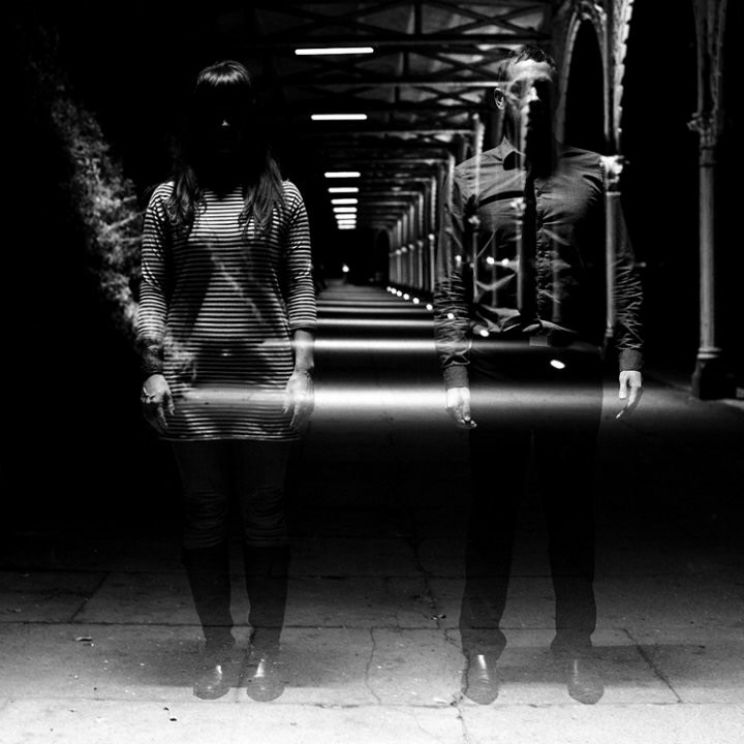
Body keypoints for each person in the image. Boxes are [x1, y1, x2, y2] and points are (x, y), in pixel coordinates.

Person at [433, 45, 643, 705]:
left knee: (571, 511)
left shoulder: (592, 175)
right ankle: (480, 649)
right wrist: (455, 367)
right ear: (502, 98)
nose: (534, 97)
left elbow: (620, 266)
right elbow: (453, 281)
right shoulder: (468, 179)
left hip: (570, 363)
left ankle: (575, 646)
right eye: (522, 87)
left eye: (544, 87)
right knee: (491, 512)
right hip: (498, 361)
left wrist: (630, 354)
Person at [135, 60, 316, 701]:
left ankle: (265, 651)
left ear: (250, 117)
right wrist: (153, 368)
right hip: (193, 382)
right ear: (197, 120)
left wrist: (303, 370)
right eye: (212, 111)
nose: (223, 123)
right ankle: (217, 649)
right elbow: (152, 287)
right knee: (204, 513)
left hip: (265, 382)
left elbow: (299, 284)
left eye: (234, 110)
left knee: (264, 514)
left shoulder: (284, 199)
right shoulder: (169, 200)